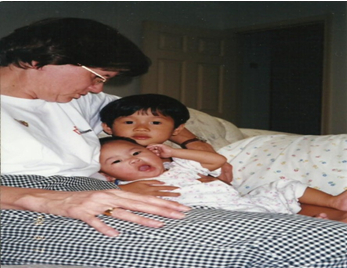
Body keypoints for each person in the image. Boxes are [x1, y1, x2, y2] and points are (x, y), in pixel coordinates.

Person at [1, 18, 347, 268]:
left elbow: (154, 115)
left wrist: (188, 141)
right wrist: (51, 200)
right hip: (24, 208)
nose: (97, 89)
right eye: (97, 77)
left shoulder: (73, 100)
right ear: (36, 60)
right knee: (306, 245)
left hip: (107, 195)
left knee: (310, 230)